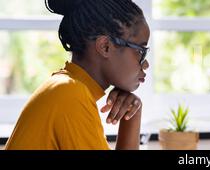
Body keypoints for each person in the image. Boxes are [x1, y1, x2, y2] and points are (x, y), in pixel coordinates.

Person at [5, 0, 150, 150]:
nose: (145, 65)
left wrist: (132, 116)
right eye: (141, 50)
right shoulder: (71, 94)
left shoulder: (65, 87)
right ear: (105, 47)